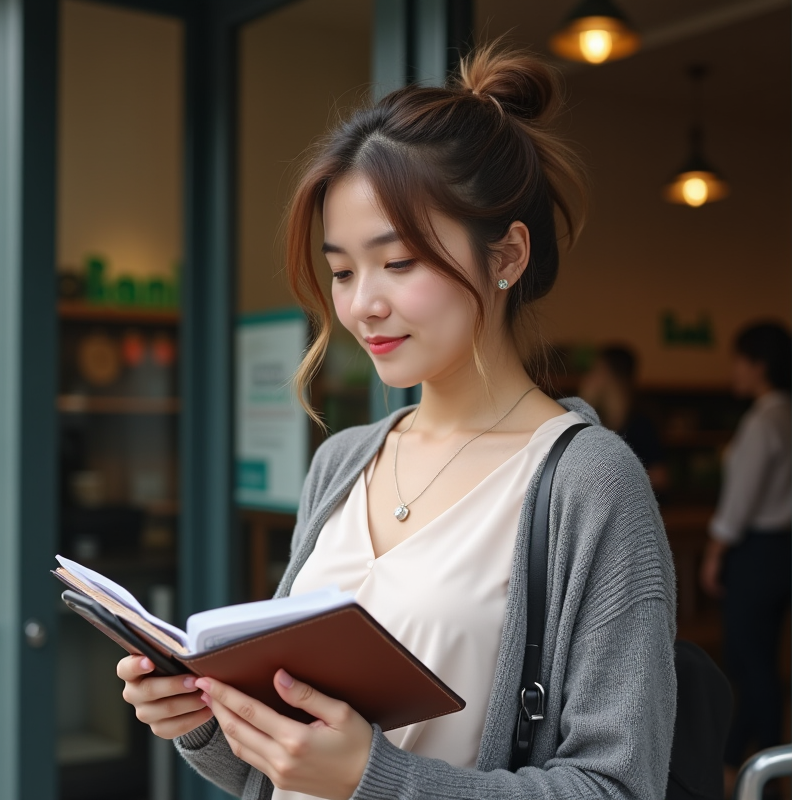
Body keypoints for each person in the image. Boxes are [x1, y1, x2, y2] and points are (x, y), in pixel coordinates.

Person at [118, 44, 677, 800]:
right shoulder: (343, 462)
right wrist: (202, 719)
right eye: (343, 271)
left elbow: (617, 787)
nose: (360, 305)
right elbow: (286, 766)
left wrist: (374, 779)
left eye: (400, 262)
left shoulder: (587, 481)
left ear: (507, 254)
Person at [699, 322, 792, 783]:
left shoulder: (762, 421)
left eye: (738, 360)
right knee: (763, 659)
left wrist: (716, 552)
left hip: (755, 551)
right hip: (786, 550)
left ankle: (751, 763)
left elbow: (740, 500)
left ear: (758, 365)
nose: (732, 370)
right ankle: (756, 762)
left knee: (747, 662)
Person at [579, 345, 669, 491]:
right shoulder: (592, 422)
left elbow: (659, 477)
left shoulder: (641, 424)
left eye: (595, 371)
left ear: (610, 376)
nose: (587, 379)